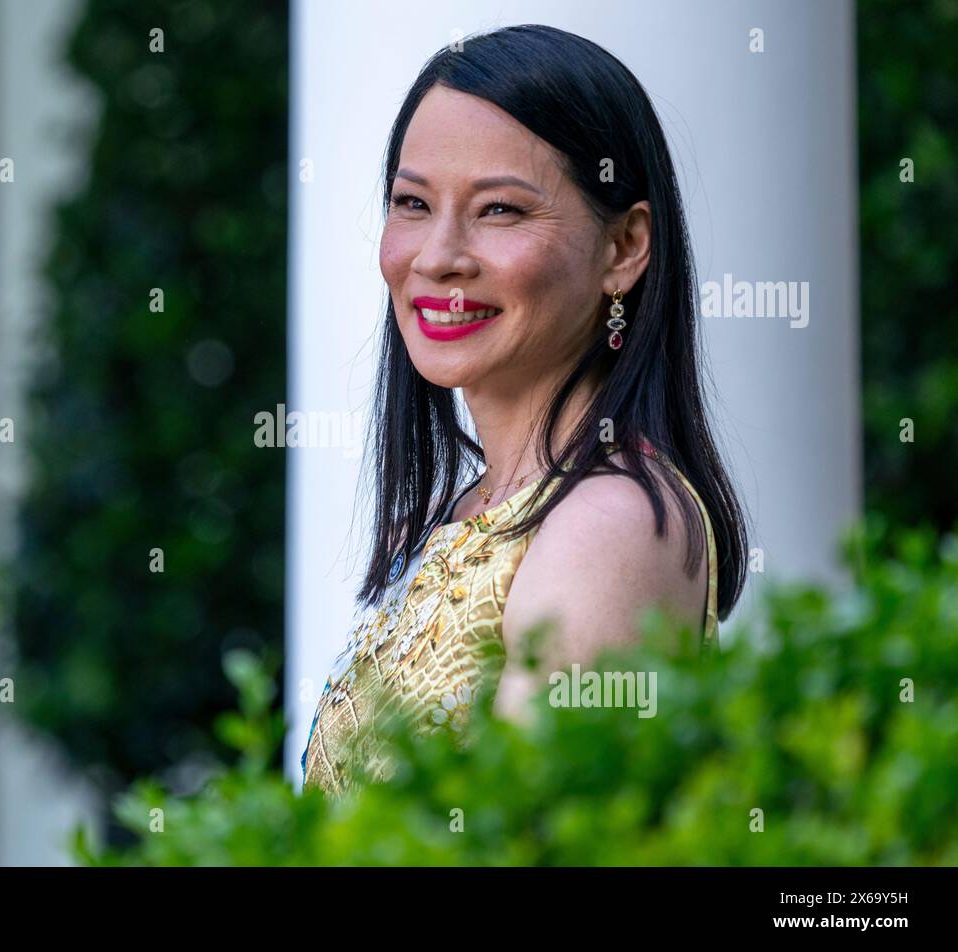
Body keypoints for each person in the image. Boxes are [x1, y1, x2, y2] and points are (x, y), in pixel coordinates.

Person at [300, 24, 749, 798]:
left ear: (624, 247)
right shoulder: (462, 514)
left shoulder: (610, 522)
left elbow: (533, 843)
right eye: (412, 203)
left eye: (500, 210)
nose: (438, 255)